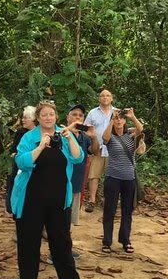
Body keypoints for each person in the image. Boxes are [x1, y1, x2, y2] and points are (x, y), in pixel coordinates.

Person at [10, 101, 84, 279]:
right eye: (44, 115)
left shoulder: (63, 134)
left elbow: (78, 157)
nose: (48, 118)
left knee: (62, 246)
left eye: (51, 114)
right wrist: (41, 146)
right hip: (31, 202)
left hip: (59, 202)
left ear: (56, 116)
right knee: (28, 246)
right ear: (38, 118)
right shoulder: (29, 137)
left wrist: (69, 139)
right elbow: (22, 162)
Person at [47, 103, 100, 264]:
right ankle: (55, 254)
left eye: (80, 116)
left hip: (76, 184)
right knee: (58, 220)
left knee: (69, 220)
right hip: (59, 183)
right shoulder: (60, 133)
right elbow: (50, 142)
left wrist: (94, 136)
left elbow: (96, 151)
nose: (78, 118)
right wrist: (69, 129)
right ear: (67, 117)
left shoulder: (83, 137)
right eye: (74, 114)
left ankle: (65, 250)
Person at [101, 107, 144, 254]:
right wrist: (111, 121)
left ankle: (125, 240)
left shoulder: (131, 136)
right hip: (113, 177)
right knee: (109, 210)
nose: (119, 120)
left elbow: (140, 129)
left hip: (129, 178)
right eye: (116, 118)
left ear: (125, 121)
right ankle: (107, 241)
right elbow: (105, 138)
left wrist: (132, 116)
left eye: (121, 118)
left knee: (127, 210)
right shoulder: (111, 137)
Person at [83, 88, 115, 212]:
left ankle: (109, 201)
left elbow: (121, 128)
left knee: (111, 176)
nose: (105, 98)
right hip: (97, 148)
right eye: (102, 96)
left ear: (111, 98)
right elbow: (85, 129)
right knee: (94, 175)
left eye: (108, 95)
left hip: (113, 149)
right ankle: (92, 200)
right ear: (99, 98)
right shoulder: (92, 113)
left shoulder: (117, 112)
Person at [6, 105, 37, 214]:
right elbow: (13, 151)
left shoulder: (41, 133)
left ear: (34, 119)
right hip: (19, 168)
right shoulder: (20, 132)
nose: (23, 120)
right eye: (23, 117)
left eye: (25, 118)